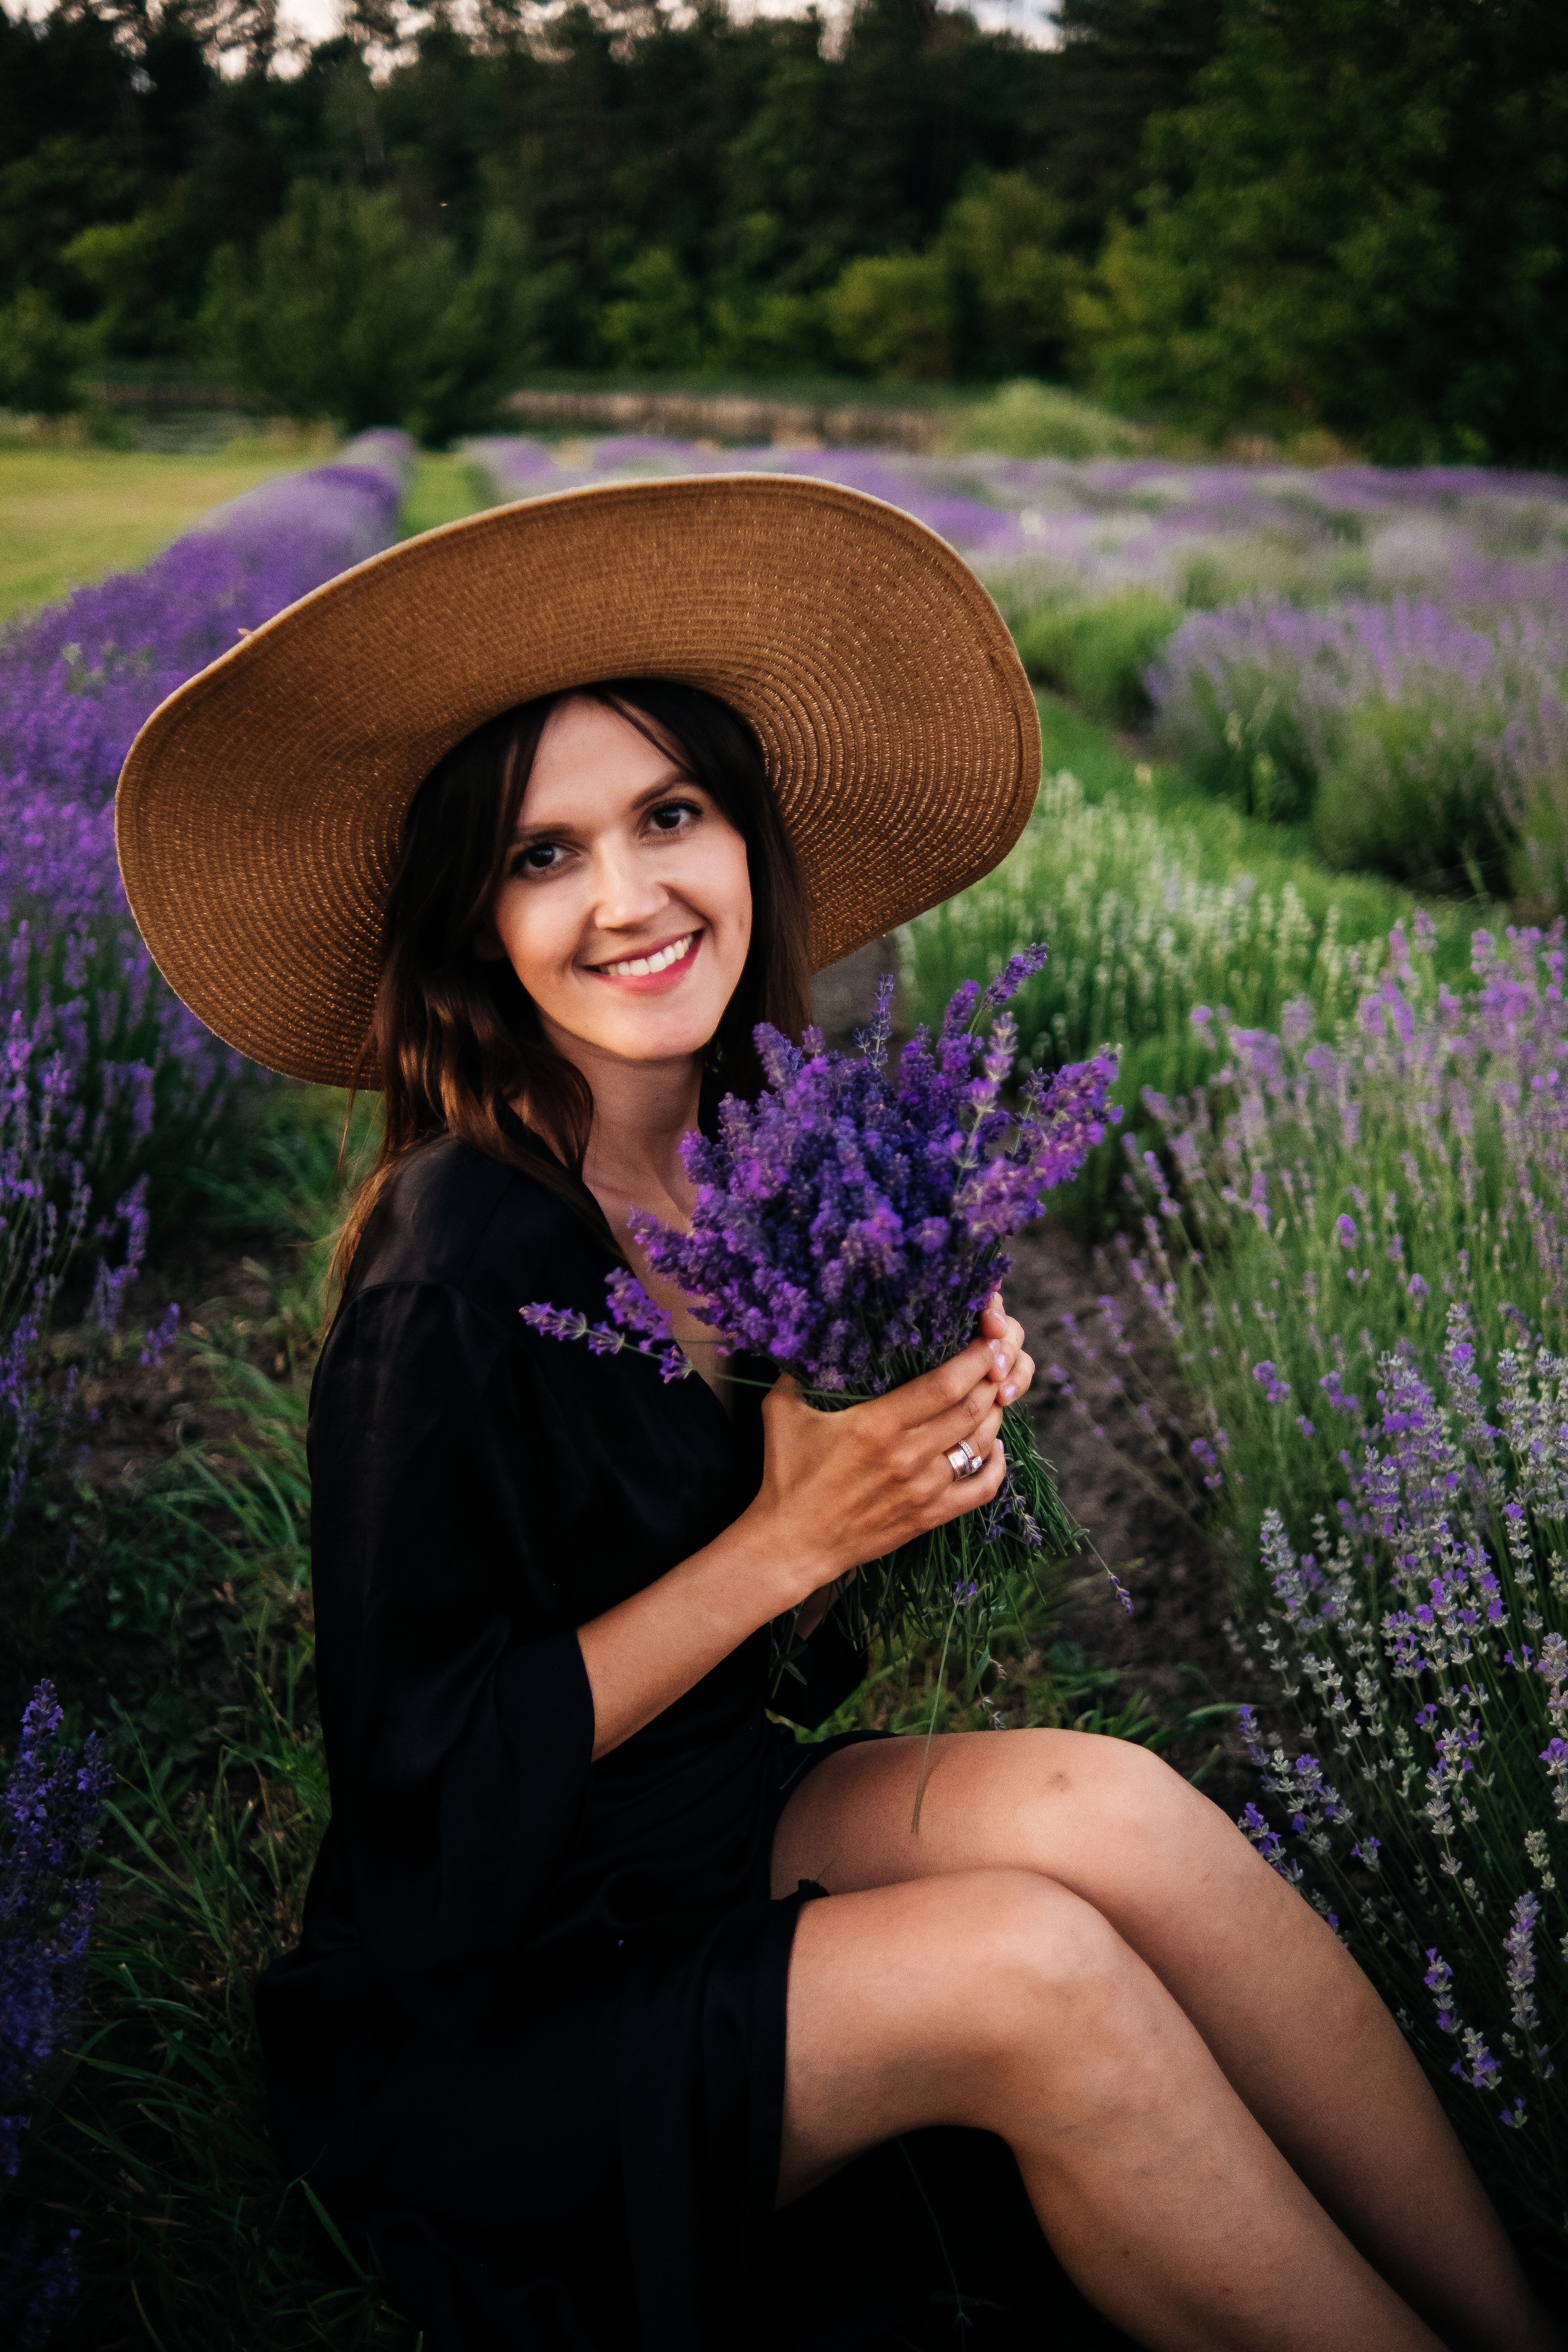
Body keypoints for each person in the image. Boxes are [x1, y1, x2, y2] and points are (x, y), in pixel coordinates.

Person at [117, 477, 1558, 2352]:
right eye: (544, 853)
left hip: (703, 1836)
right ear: (473, 923)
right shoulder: (450, 1266)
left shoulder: (771, 1160)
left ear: (748, 836)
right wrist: (789, 1535)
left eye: (670, 815)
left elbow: (801, 1651)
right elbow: (426, 1789)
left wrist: (924, 1439)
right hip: (493, 1998)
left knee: (1121, 1812)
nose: (628, 896)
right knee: (1036, 1973)